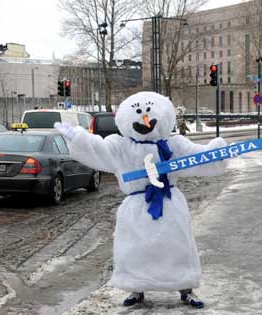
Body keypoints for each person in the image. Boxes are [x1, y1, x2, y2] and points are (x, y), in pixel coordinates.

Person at [55, 92, 228, 309]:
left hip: (168, 203)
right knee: (135, 248)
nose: (144, 117)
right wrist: (77, 137)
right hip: (136, 207)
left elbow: (197, 157)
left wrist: (215, 153)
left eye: (148, 111)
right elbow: (98, 149)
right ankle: (136, 287)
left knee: (177, 246)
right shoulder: (120, 146)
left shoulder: (174, 145)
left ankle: (186, 287)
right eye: (137, 112)